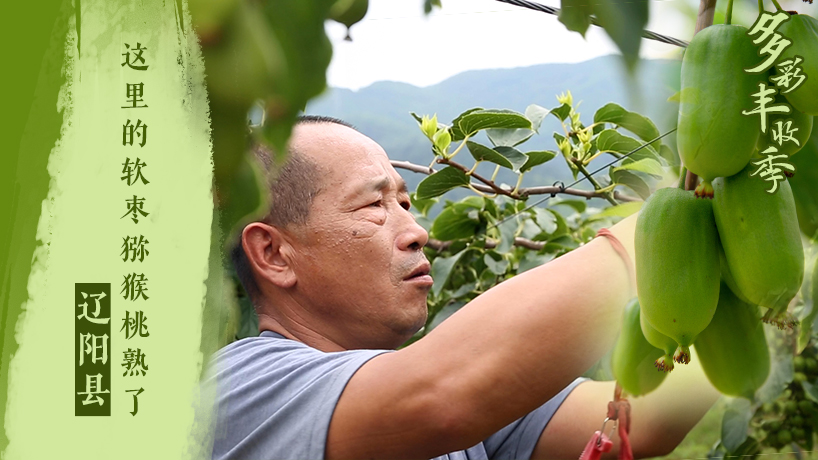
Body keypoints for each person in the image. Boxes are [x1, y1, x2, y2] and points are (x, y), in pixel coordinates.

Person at [203, 115, 720, 460]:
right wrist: (671, 228)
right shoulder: (236, 391)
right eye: (373, 205)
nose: (416, 231)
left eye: (404, 203)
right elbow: (447, 395)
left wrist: (740, 259)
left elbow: (643, 418)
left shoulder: (459, 403)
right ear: (273, 254)